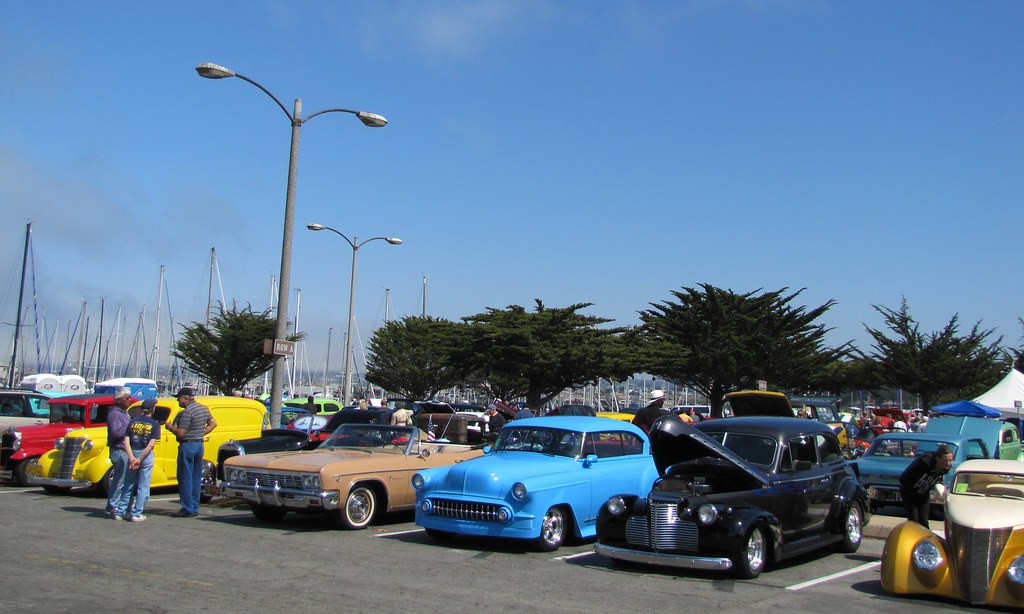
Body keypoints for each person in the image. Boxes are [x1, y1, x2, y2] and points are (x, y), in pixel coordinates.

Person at [165, 387, 216, 518]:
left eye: (179, 398)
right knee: (195, 477)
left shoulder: (187, 412)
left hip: (188, 445)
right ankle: (194, 506)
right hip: (199, 444)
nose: (177, 400)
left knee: (185, 477)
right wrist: (200, 432)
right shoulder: (203, 408)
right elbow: (213, 423)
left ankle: (187, 508)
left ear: (185, 398)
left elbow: (181, 433)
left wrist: (170, 427)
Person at [120, 398, 162, 522]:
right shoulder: (154, 424)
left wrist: (132, 457)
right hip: (145, 454)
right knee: (143, 485)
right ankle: (137, 512)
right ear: (152, 409)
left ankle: (122, 511)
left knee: (128, 483)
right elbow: (151, 444)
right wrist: (139, 459)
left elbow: (126, 440)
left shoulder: (132, 422)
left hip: (132, 451)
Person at [898, 444, 954, 527]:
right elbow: (904, 478)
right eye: (945, 460)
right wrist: (912, 491)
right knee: (914, 521)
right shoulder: (924, 463)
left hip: (923, 493)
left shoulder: (945, 468)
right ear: (937, 458)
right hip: (909, 492)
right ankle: (914, 537)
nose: (948, 463)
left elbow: (936, 480)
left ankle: (925, 539)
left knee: (924, 522)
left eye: (950, 460)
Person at [105, 387, 134, 520]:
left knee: (125, 480)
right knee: (119, 480)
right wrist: (130, 428)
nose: (129, 400)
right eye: (126, 398)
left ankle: (122, 505)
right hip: (119, 450)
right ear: (118, 400)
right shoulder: (115, 414)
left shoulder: (124, 413)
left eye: (129, 397)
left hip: (126, 450)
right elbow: (116, 433)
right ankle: (113, 506)